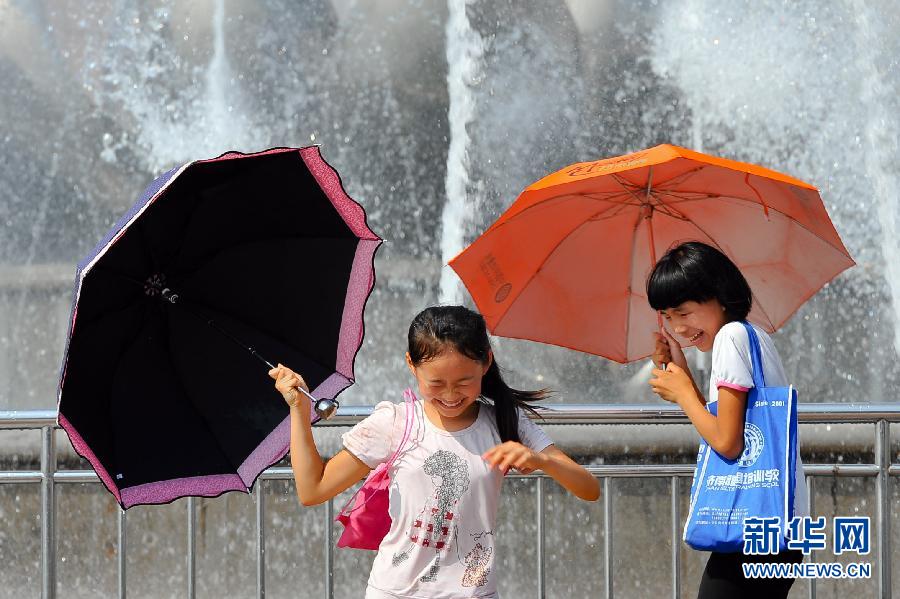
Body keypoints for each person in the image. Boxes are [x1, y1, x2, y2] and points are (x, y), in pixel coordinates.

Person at [270, 305, 599, 598]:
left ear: (487, 362)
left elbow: (589, 489)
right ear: (411, 365)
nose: (452, 395)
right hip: (395, 592)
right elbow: (313, 489)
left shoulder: (504, 422)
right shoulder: (395, 423)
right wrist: (298, 410)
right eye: (437, 384)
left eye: (464, 381)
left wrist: (542, 460)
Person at [645, 241, 807, 599]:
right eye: (668, 317)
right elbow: (731, 431)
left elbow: (728, 443)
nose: (678, 327)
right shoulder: (750, 335)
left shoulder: (730, 339)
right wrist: (682, 373)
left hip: (755, 530)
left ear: (718, 295)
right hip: (775, 524)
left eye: (684, 312)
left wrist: (684, 395)